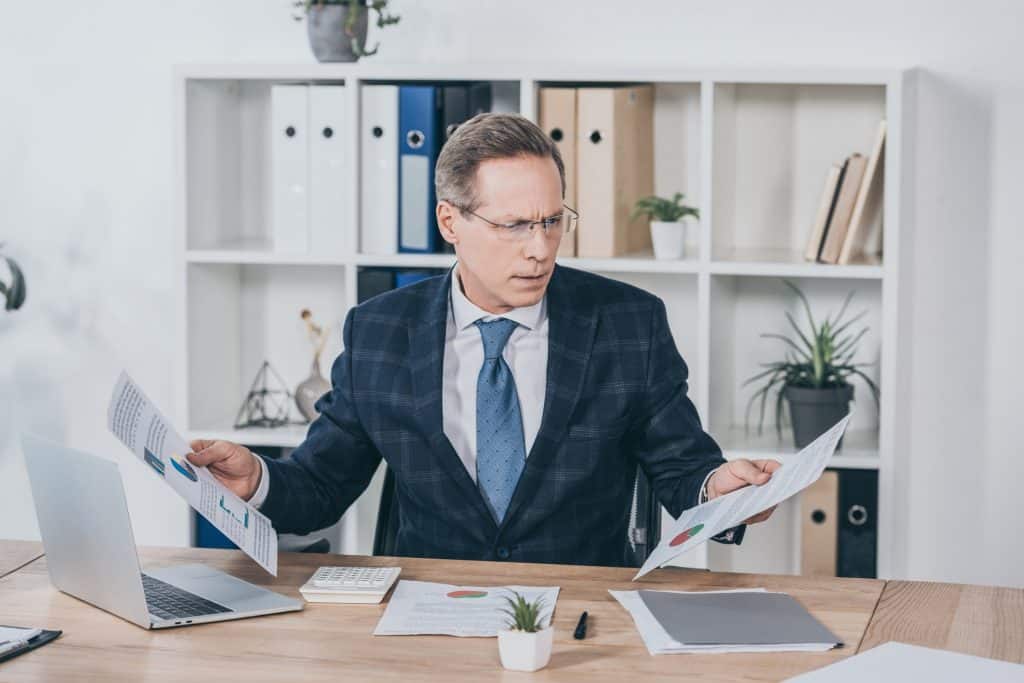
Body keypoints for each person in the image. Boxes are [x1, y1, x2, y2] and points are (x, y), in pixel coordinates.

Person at [188, 113, 778, 566]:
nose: (540, 248)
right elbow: (321, 486)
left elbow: (683, 470)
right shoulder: (379, 333)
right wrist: (257, 480)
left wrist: (724, 489)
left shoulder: (628, 323)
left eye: (552, 221)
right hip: (429, 620)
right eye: (515, 225)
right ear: (451, 222)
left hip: (585, 614)